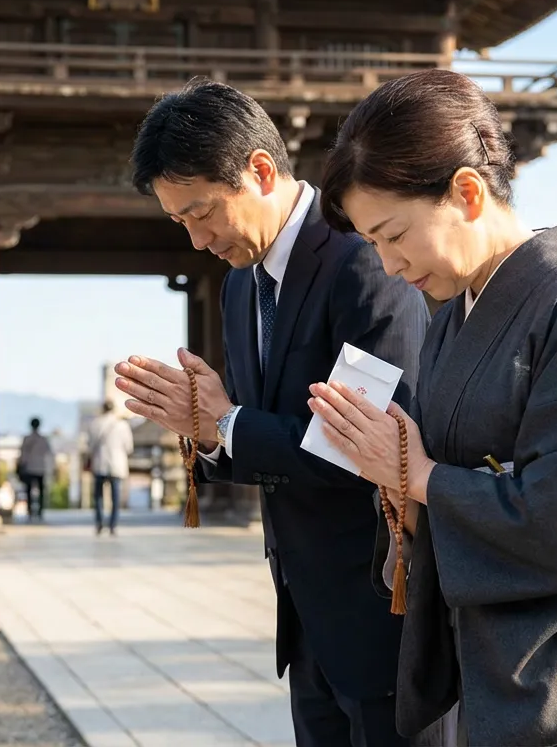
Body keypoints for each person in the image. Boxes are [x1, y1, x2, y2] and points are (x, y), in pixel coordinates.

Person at [307, 69, 557, 746]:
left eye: (394, 234)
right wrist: (399, 487)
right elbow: (441, 483)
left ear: (466, 192)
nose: (389, 264)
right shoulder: (453, 320)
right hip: (505, 669)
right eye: (372, 244)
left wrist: (422, 478)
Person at [112, 80, 435, 747]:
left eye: (202, 213)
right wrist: (206, 435)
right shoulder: (240, 284)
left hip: (380, 607)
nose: (199, 241)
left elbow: (365, 451)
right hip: (304, 610)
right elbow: (263, 439)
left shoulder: (361, 263)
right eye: (181, 224)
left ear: (259, 171)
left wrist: (225, 424)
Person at [86, 401, 135, 535]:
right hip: (117, 463)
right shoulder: (122, 425)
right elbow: (129, 447)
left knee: (98, 497)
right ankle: (113, 525)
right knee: (115, 496)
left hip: (99, 462)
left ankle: (99, 523)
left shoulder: (95, 424)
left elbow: (90, 445)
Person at [16, 417, 54, 521]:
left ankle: (29, 510)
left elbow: (22, 454)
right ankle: (40, 511)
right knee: (41, 491)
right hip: (40, 467)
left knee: (28, 490)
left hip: (29, 467)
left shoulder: (27, 439)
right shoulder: (43, 439)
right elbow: (49, 453)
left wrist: (20, 465)